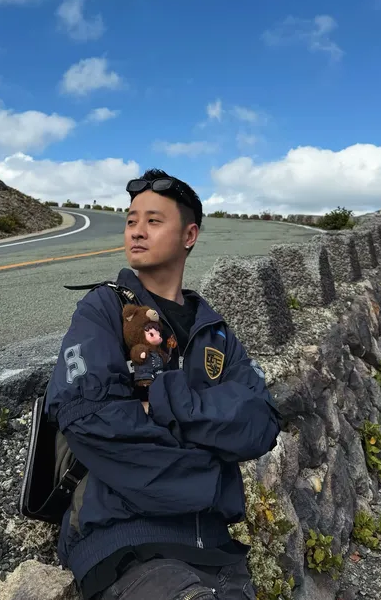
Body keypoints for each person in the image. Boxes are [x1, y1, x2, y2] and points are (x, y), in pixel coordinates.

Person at [46, 170, 281, 600]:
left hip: (217, 551)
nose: (136, 231)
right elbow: (88, 418)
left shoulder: (216, 334)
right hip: (126, 544)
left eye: (153, 221)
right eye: (131, 220)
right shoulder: (103, 308)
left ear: (189, 235)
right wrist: (211, 477)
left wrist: (167, 401)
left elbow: (261, 423)